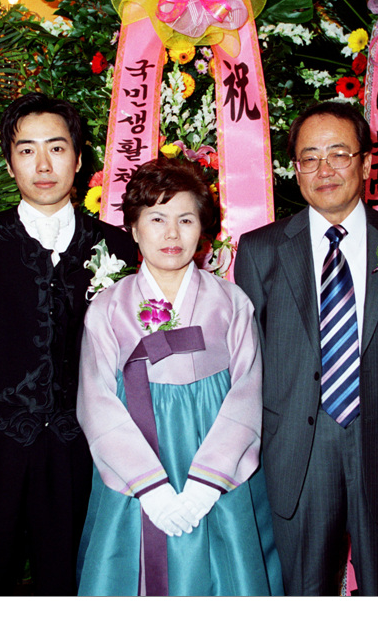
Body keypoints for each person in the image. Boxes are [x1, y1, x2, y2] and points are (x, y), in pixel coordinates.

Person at [0, 92, 139, 595]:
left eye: (57, 148)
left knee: (75, 587)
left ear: (79, 159)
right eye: (27, 150)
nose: (43, 165)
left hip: (81, 451)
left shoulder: (117, 246)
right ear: (10, 163)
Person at [234, 101, 378, 596]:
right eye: (309, 158)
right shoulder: (261, 250)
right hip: (298, 450)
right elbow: (253, 355)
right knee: (304, 592)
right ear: (295, 169)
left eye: (338, 154)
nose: (324, 169)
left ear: (366, 163)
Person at [75, 157, 283, 596]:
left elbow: (247, 395)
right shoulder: (108, 309)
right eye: (157, 219)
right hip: (135, 473)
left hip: (218, 472)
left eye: (186, 219)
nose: (172, 233)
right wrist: (150, 489)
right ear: (133, 229)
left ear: (202, 229)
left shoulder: (231, 302)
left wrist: (207, 485)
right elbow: (97, 405)